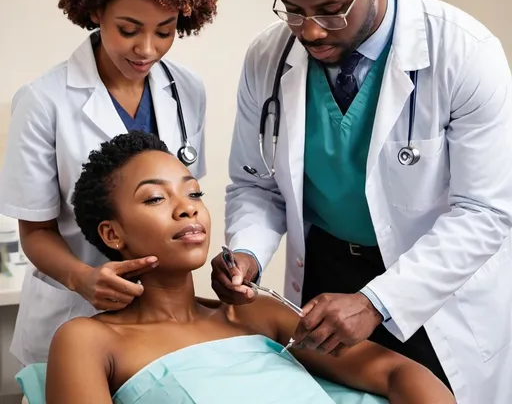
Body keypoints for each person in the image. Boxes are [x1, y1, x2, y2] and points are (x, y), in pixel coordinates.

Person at [210, 0, 512, 403]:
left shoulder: (463, 53)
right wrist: (247, 252)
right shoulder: (268, 55)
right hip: (325, 272)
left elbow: (485, 211)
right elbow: (256, 185)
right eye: (293, 9)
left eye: (330, 11)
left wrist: (377, 300)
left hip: (432, 284)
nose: (308, 30)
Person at [16, 131, 454, 404]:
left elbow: (400, 373)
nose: (187, 210)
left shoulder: (256, 313)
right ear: (112, 234)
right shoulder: (89, 340)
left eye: (194, 194)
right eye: (155, 198)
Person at [0, 0, 218, 366]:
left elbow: (184, 194)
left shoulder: (186, 91)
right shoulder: (43, 101)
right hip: (70, 317)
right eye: (128, 29)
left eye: (165, 30)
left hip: (159, 332)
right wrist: (83, 278)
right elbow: (35, 232)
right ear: (96, 11)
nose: (146, 50)